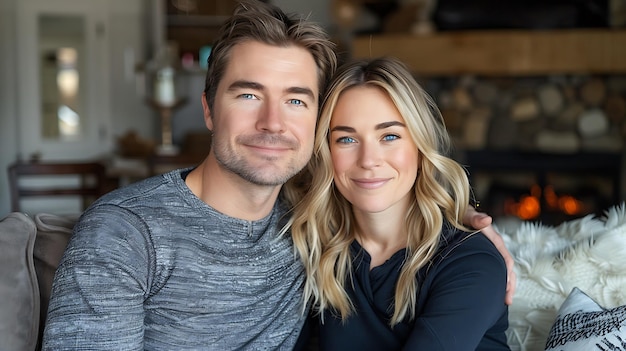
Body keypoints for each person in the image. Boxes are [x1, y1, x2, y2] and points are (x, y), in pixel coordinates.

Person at [42, 1, 513, 350]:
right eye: (248, 95)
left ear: (313, 125)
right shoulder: (124, 232)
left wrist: (471, 229)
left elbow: (396, 209)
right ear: (208, 109)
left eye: (295, 100)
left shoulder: (307, 222)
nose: (272, 122)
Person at [289, 57, 510, 350]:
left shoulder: (469, 262)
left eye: (389, 136)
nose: (368, 160)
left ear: (419, 147)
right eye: (346, 139)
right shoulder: (317, 250)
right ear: (326, 152)